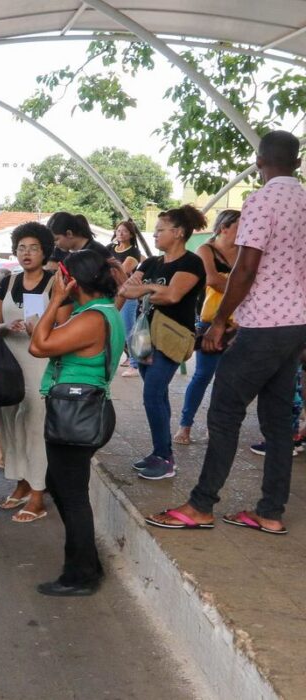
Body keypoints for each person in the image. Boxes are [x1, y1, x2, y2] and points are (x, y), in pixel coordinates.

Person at [145, 131, 306, 534]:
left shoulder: (261, 201)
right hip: (295, 326)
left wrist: (219, 321)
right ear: (297, 163)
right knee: (278, 422)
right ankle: (270, 511)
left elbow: (246, 268)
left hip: (263, 324)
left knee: (224, 412)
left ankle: (201, 505)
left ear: (258, 161)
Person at [28, 249, 125, 596]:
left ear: (71, 281)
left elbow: (39, 346)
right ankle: (88, 563)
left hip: (77, 413)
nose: (55, 280)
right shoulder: (99, 312)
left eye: (60, 276)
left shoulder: (92, 318)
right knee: (60, 484)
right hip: (82, 411)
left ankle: (80, 576)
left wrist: (56, 299)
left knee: (72, 496)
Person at [118, 205, 206, 480]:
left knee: (152, 394)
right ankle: (161, 452)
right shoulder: (151, 263)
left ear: (178, 233)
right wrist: (153, 289)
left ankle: (164, 458)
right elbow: (126, 290)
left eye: (160, 230)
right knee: (158, 395)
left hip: (172, 337)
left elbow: (172, 296)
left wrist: (146, 288)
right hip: (146, 337)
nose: (155, 234)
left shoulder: (191, 263)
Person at [0, 222, 71, 523]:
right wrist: (5, 327)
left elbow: (64, 328)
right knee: (10, 426)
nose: (26, 253)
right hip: (8, 367)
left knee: (36, 429)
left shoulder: (56, 284)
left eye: (34, 248)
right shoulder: (6, 282)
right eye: (21, 248)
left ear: (44, 251)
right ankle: (21, 482)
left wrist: (39, 329)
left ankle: (38, 494)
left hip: (40, 366)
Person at [175, 209, 240, 446]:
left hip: (238, 323)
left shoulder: (244, 252)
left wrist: (230, 284)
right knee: (203, 374)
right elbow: (212, 280)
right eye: (240, 226)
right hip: (210, 321)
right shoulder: (206, 250)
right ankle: (185, 424)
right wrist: (239, 287)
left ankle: (216, 425)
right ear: (224, 228)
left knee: (227, 378)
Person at [112, 220, 145, 377]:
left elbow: (122, 271)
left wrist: (107, 268)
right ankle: (124, 358)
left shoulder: (133, 252)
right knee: (114, 329)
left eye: (124, 231)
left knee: (128, 329)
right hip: (112, 293)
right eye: (118, 230)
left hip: (127, 295)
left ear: (131, 235)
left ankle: (135, 364)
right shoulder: (110, 248)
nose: (120, 233)